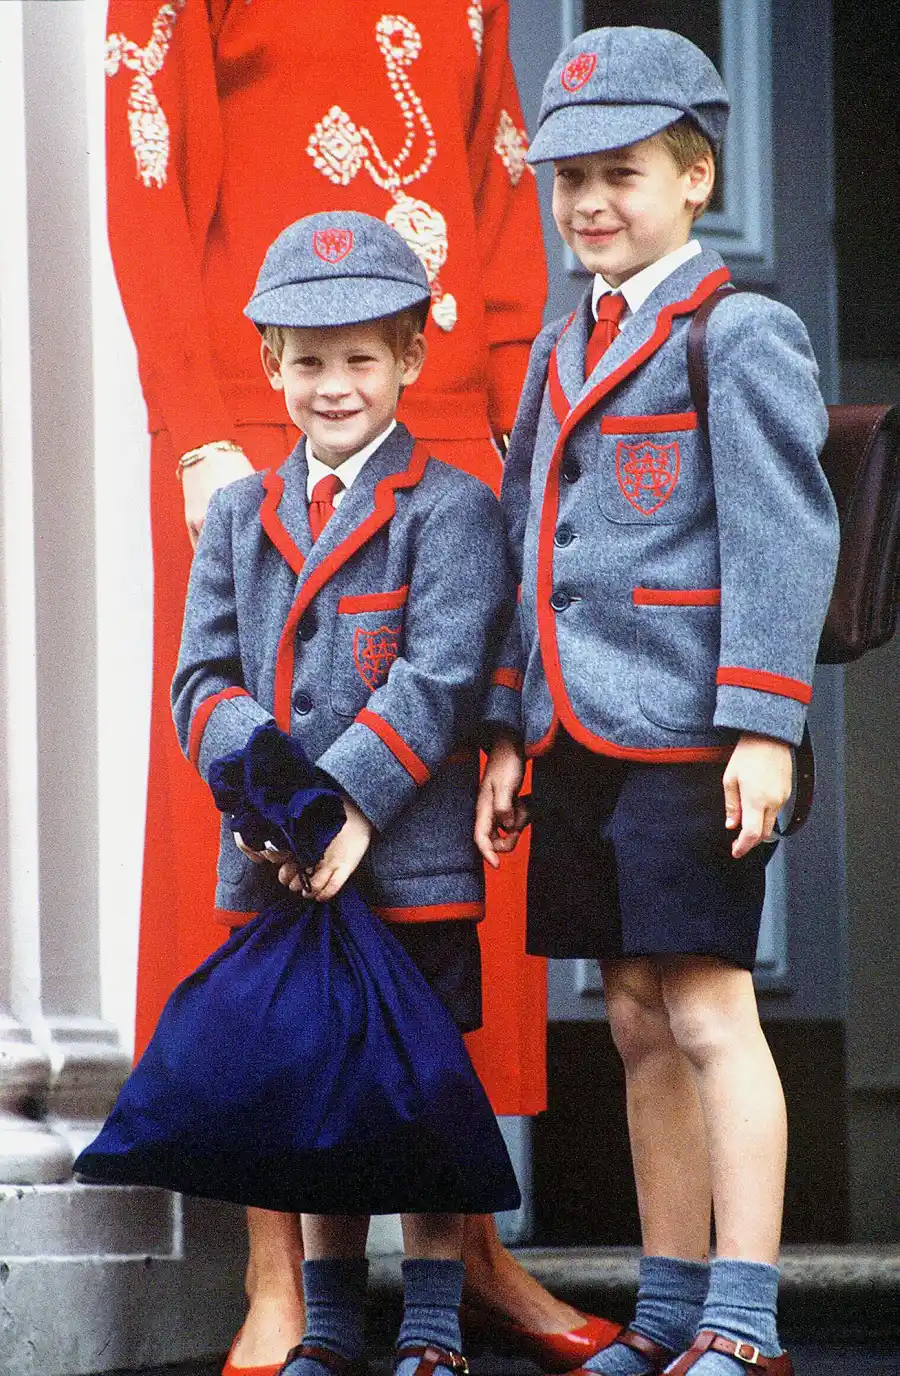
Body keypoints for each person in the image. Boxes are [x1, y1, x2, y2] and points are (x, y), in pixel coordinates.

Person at [104, 3, 613, 1371]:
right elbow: (149, 170)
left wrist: (508, 401)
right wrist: (195, 413)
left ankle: (475, 1248)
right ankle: (278, 1269)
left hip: (433, 394)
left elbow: (501, 178)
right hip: (263, 396)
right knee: (263, 838)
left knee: (448, 862)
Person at [476, 26, 839, 1376]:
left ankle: (743, 1319)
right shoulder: (561, 345)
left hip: (695, 729)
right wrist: (511, 724)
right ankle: (673, 1307)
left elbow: (782, 533)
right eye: (567, 178)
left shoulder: (737, 331)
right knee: (629, 1012)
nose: (588, 204)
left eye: (621, 172)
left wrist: (763, 725)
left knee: (703, 1007)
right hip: (578, 730)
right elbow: (527, 544)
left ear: (697, 178)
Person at [172, 209, 524, 1376]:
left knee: (418, 1091)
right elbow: (202, 681)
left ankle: (429, 1324)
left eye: (361, 357)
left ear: (412, 360)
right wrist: (278, 811)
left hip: (409, 860)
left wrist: (347, 806)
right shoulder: (235, 516)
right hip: (278, 864)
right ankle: (328, 1323)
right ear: (271, 361)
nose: (333, 385)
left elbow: (438, 679)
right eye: (308, 359)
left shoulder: (456, 508)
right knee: (312, 1096)